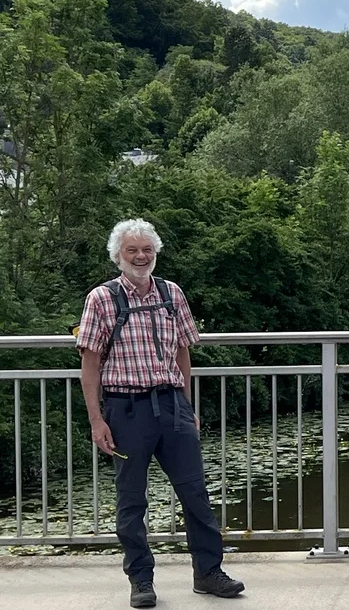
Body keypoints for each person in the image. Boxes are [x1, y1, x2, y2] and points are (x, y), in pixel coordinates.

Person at [77, 219, 244, 609]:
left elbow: (184, 350)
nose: (140, 257)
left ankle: (208, 572)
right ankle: (141, 579)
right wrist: (97, 420)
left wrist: (186, 404)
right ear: (118, 256)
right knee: (131, 500)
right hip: (125, 409)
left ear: (156, 253)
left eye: (147, 250)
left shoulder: (172, 293)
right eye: (132, 250)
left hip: (172, 406)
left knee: (196, 493)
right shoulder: (102, 299)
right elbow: (90, 363)